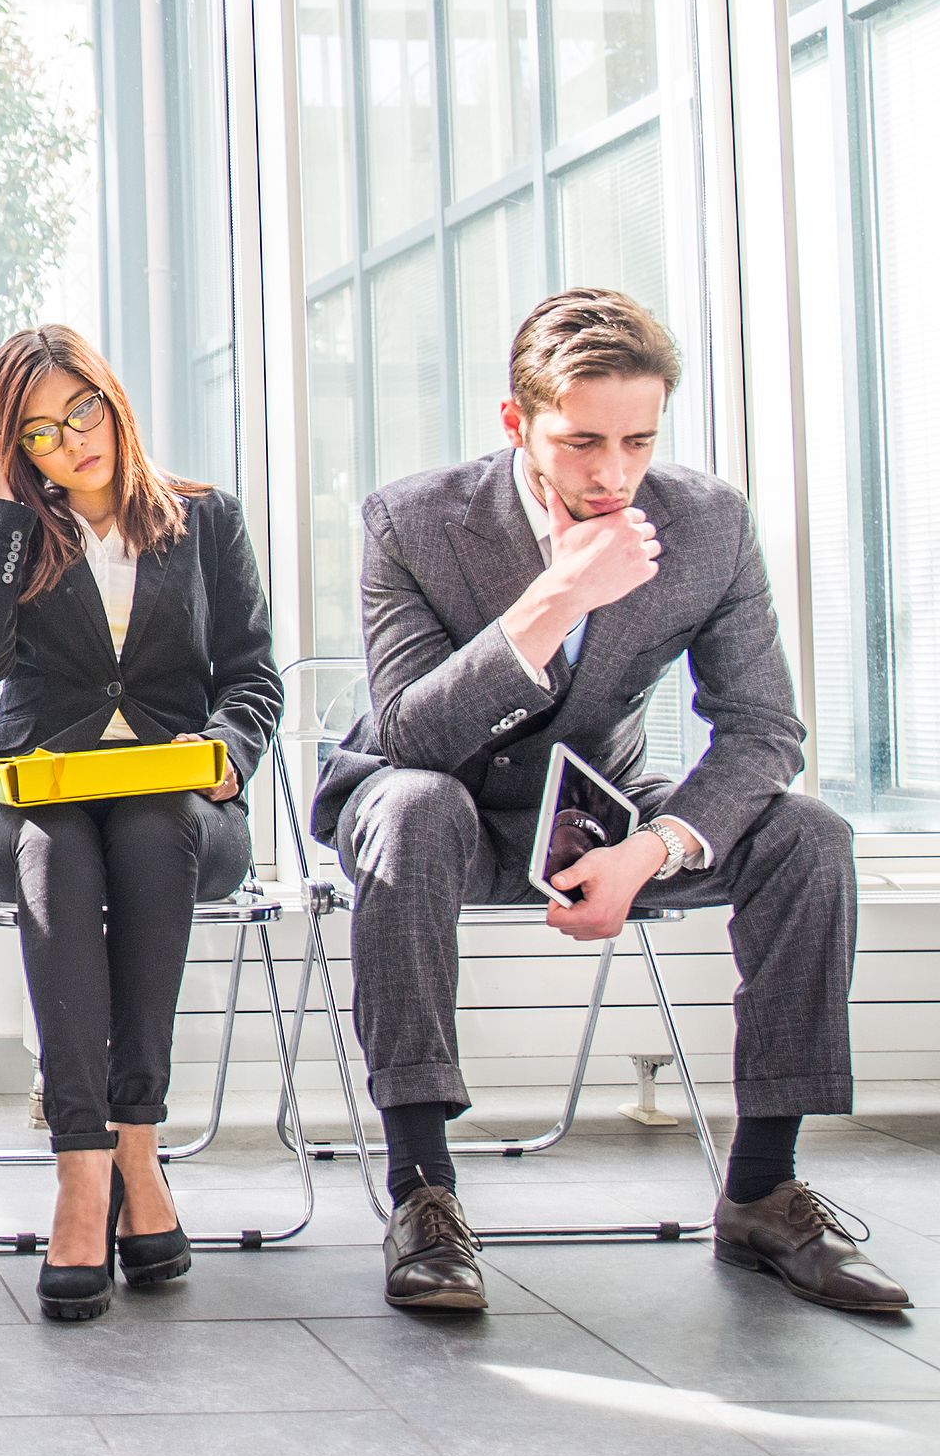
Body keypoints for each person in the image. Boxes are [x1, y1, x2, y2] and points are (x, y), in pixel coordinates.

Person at [311, 288, 909, 1315]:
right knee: (415, 811)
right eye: (582, 441)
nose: (612, 473)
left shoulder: (707, 522)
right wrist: (556, 600)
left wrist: (657, 848)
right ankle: (422, 1193)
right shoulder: (412, 520)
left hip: (595, 815)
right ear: (517, 423)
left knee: (810, 835)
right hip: (429, 799)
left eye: (637, 441)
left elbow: (763, 729)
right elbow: (412, 730)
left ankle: (763, 1189)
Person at [0, 326, 279, 1322]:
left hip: (184, 807)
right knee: (54, 847)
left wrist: (225, 750)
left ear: (110, 395)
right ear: (17, 449)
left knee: (144, 830)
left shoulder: (205, 520)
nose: (70, 440)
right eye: (38, 432)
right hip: (38, 806)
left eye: (79, 410)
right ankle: (86, 1168)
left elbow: (252, 674)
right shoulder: (9, 531)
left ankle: (135, 1140)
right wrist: (2, 510)